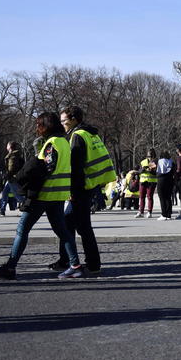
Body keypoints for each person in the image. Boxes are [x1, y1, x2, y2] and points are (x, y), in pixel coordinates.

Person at [0, 112, 83, 280]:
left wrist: (28, 178)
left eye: (38, 125)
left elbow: (46, 168)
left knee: (22, 230)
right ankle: (75, 265)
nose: (36, 128)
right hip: (58, 194)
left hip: (43, 194)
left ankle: (10, 267)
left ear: (46, 126)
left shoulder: (51, 143)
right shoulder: (63, 142)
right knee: (63, 232)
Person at [55, 106, 110, 276]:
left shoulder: (77, 136)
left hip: (80, 187)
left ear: (73, 119)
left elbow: (76, 167)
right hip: (90, 184)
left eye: (64, 121)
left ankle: (92, 264)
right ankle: (67, 260)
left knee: (82, 227)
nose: (62, 124)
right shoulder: (90, 133)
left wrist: (71, 191)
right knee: (70, 224)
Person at [0, 142, 25, 215]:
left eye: (7, 145)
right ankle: (2, 210)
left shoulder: (13, 155)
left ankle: (27, 205)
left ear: (10, 147)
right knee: (5, 193)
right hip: (11, 177)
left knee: (17, 194)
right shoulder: (15, 154)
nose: (6, 146)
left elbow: (11, 168)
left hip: (12, 178)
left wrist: (7, 175)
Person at [136, 148, 158, 218]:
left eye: (151, 156)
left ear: (154, 156)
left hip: (151, 182)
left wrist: (149, 171)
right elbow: (138, 171)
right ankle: (141, 211)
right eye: (148, 156)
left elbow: (156, 173)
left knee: (149, 197)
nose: (150, 158)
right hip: (143, 181)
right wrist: (142, 170)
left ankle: (149, 212)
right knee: (141, 197)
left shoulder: (155, 162)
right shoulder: (143, 162)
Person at [156, 150, 175, 220]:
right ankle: (169, 214)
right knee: (168, 197)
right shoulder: (171, 161)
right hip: (170, 179)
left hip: (161, 179)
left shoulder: (160, 161)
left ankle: (164, 214)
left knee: (162, 197)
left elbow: (158, 171)